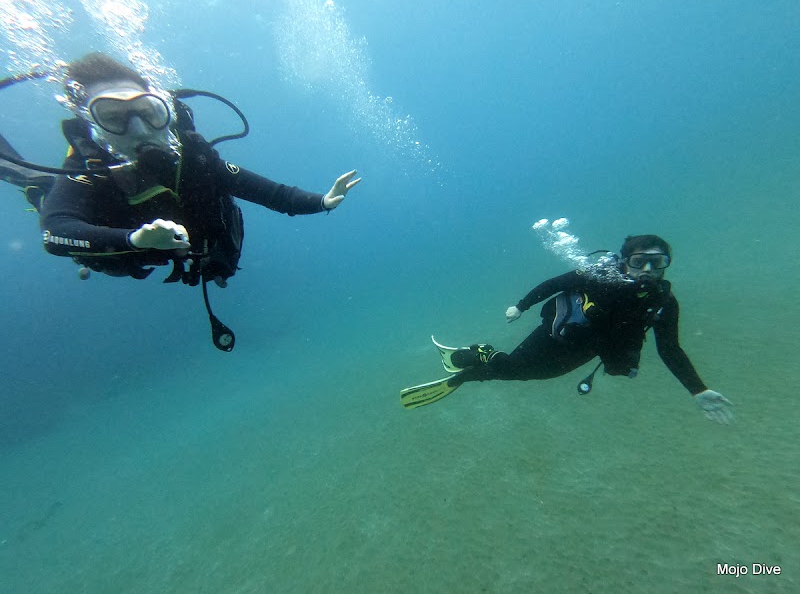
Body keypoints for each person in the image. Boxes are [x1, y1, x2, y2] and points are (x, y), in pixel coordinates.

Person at [33, 52, 361, 350]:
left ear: (165, 110)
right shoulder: (86, 169)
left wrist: (322, 201)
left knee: (222, 226)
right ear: (91, 123)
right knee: (63, 216)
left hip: (191, 243)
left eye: (148, 112)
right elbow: (55, 232)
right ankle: (34, 188)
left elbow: (270, 193)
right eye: (113, 116)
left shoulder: (195, 157)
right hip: (119, 250)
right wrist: (132, 240)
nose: (137, 128)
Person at [400, 235, 734, 425]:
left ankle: (482, 361)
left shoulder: (662, 302)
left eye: (657, 263)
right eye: (639, 261)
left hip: (587, 349)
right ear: (624, 260)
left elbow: (670, 349)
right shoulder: (601, 276)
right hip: (558, 333)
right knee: (515, 369)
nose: (647, 270)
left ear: (666, 265)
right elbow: (558, 283)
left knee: (532, 376)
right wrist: (522, 305)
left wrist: (697, 389)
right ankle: (477, 357)